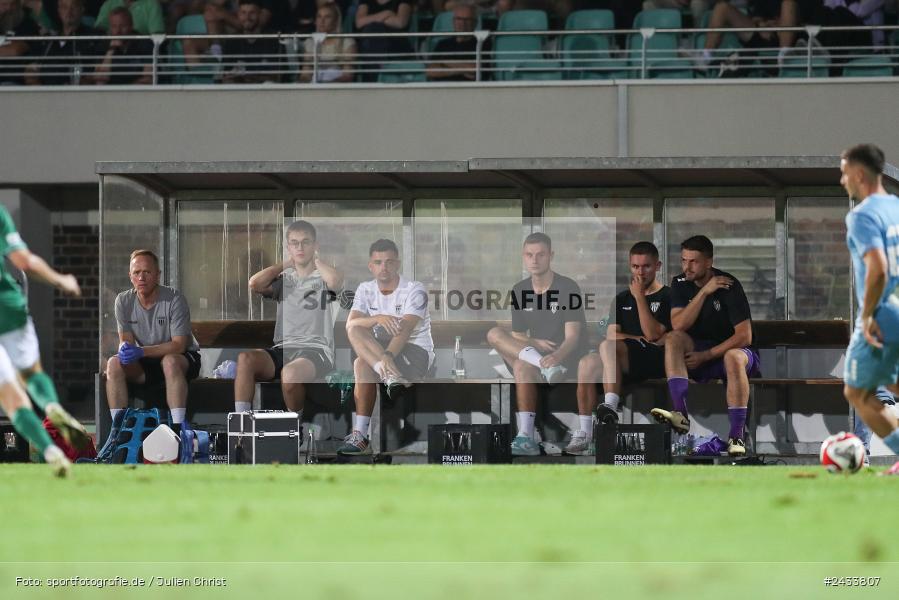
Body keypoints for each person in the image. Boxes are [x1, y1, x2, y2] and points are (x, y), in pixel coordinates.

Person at [651, 235, 761, 457]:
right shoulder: (680, 283)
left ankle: (736, 437)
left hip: (731, 353)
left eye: (694, 261)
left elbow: (744, 336)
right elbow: (679, 324)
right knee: (673, 338)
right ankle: (680, 415)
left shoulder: (729, 285)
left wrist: (706, 356)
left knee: (733, 357)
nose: (687, 267)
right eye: (684, 260)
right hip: (699, 352)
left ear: (709, 262)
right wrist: (704, 291)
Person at [0, 204, 88, 477]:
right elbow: (25, 262)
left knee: (12, 401)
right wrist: (61, 280)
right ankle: (52, 407)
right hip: (8, 306)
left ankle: (51, 452)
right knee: (31, 373)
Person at [486, 232, 587, 456]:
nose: (534, 260)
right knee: (494, 333)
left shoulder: (567, 287)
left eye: (540, 254)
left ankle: (525, 436)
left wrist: (556, 357)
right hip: (539, 357)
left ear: (551, 256)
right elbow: (518, 335)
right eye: (529, 255)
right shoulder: (520, 290)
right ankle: (526, 438)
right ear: (523, 257)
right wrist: (535, 342)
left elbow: (573, 337)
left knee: (521, 366)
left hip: (563, 357)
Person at [232, 220, 342, 421]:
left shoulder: (322, 278)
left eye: (306, 242)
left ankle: (296, 427)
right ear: (288, 247)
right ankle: (242, 426)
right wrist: (287, 263)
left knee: (290, 375)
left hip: (316, 351)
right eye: (295, 243)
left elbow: (335, 282)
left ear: (315, 245)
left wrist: (315, 260)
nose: (300, 247)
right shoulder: (286, 280)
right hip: (283, 349)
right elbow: (254, 283)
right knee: (245, 360)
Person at [338, 238, 434, 455]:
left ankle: (386, 371)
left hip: (414, 354)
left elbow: (405, 331)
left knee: (362, 362)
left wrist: (388, 355)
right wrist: (377, 318)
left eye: (389, 262)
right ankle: (360, 436)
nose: (384, 267)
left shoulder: (414, 289)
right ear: (370, 266)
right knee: (359, 352)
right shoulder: (365, 288)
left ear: (397, 264)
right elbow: (351, 324)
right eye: (378, 262)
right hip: (383, 358)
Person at [574, 241, 671, 454]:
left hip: (655, 359)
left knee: (608, 347)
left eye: (646, 266)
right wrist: (635, 337)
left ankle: (610, 407)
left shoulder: (668, 296)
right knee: (586, 364)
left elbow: (654, 334)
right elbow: (611, 333)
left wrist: (639, 298)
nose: (640, 272)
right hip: (622, 358)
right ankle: (586, 435)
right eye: (635, 266)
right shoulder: (620, 298)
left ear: (658, 266)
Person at [838, 143, 899, 475]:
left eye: (844, 172)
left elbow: (877, 268)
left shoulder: (861, 215)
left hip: (880, 316)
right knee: (892, 384)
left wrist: (867, 315)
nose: (842, 180)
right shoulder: (896, 207)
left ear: (859, 174)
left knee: (857, 391)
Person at [104, 249, 201, 437]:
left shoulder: (174, 299)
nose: (141, 277)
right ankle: (118, 433)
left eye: (147, 272)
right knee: (113, 364)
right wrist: (124, 349)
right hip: (147, 364)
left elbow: (179, 345)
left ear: (157, 275)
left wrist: (140, 352)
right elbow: (127, 342)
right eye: (136, 273)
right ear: (130, 276)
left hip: (181, 360)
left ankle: (177, 431)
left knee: (170, 361)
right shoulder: (123, 301)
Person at [25, 0, 100, 85]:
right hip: (46, 94)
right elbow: (30, 70)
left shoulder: (92, 38)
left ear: (82, 9)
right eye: (64, 7)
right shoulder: (47, 40)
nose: (69, 11)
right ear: (59, 11)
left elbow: (97, 72)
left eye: (74, 7)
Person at [222, 0, 282, 83]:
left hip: (265, 91)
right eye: (243, 13)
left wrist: (250, 76)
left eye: (252, 13)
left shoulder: (272, 39)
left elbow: (276, 76)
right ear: (238, 15)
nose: (247, 17)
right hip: (240, 88)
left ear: (260, 14)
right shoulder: (231, 41)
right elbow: (225, 75)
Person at [91, 6, 153, 84]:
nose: (118, 31)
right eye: (114, 26)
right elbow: (100, 79)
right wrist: (111, 50)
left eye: (123, 26)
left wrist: (126, 92)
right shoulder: (103, 44)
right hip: (110, 92)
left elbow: (148, 79)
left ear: (131, 26)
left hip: (136, 92)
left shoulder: (145, 43)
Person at [354, 0, 413, 81]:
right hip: (370, 44)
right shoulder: (366, 1)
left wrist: (370, 20)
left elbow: (400, 22)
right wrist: (387, 13)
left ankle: (375, 79)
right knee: (374, 31)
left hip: (395, 44)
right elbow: (359, 22)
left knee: (374, 29)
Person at [299, 2, 356, 83]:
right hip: (314, 87)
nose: (322, 21)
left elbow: (348, 75)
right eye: (319, 16)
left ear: (336, 21)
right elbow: (305, 74)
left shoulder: (347, 42)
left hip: (337, 88)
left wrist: (327, 86)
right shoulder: (310, 42)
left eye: (327, 17)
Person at [426, 2, 481, 82]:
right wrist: (460, 70)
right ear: (453, 21)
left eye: (467, 19)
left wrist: (445, 63)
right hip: (442, 90)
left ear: (475, 23)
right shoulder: (443, 44)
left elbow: (475, 68)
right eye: (459, 19)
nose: (462, 23)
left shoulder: (481, 43)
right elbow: (430, 71)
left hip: (469, 90)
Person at [0, 0, 41, 85]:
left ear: (19, 4)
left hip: (13, 80)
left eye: (13, 4)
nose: (9, 8)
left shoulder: (27, 24)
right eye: (4, 4)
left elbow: (15, 50)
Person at [93, 0, 164, 34]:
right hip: (111, 47)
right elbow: (99, 30)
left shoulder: (151, 4)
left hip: (141, 52)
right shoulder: (109, 3)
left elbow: (156, 34)